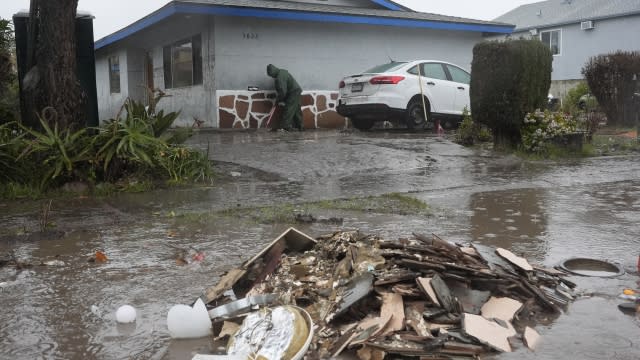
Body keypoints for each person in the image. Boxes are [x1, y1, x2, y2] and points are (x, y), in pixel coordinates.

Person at [266, 64, 303, 131]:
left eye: (271, 75)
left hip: (293, 92)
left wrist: (278, 100)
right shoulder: (282, 73)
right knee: (296, 109)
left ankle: (285, 126)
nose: (272, 77)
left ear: (273, 72)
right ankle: (300, 126)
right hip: (296, 90)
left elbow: (283, 92)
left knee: (288, 109)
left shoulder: (280, 78)